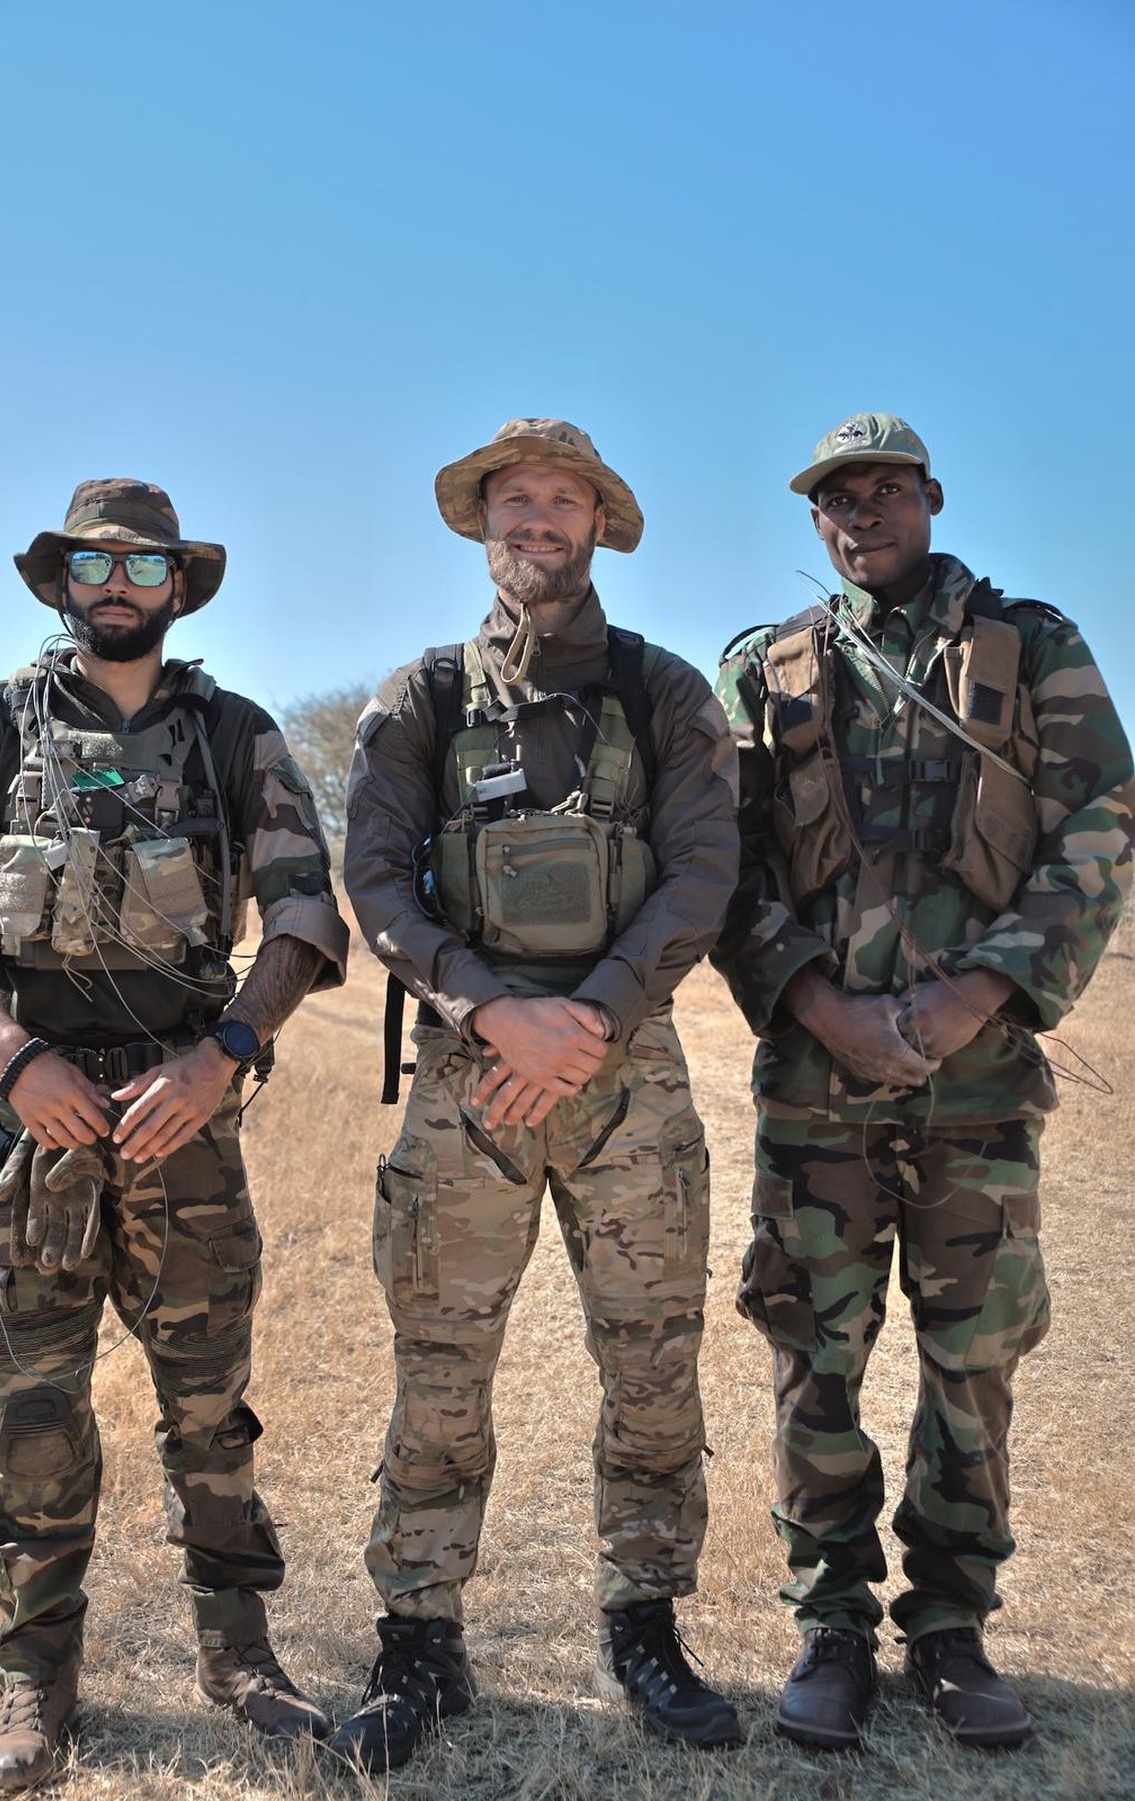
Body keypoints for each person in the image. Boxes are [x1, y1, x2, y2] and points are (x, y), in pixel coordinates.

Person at [712, 413, 1135, 1752]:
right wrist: (819, 1003)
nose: (861, 511)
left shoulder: (1033, 646)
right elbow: (719, 864)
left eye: (885, 489)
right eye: (837, 496)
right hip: (816, 1084)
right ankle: (831, 1622)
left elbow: (1103, 823)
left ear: (932, 499)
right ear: (815, 520)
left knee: (975, 1361)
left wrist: (978, 991)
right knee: (811, 1354)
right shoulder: (761, 669)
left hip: (982, 1081)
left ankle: (951, 1625)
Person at [334, 418, 744, 1772]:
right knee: (440, 1367)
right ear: (485, 522)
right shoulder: (422, 698)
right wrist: (490, 1005)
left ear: (596, 520)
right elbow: (378, 882)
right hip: (470, 1078)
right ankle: (419, 1638)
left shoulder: (668, 693)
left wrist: (595, 1013)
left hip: (627, 1077)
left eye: (562, 497)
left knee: (650, 1361)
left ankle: (645, 1624)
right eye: (515, 498)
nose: (537, 517)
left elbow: (701, 871)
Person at [0, 479, 350, 1789]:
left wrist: (223, 1057)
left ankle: (242, 1656)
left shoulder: (236, 736)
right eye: (96, 561)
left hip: (189, 1120)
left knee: (210, 1411)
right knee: (32, 1417)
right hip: (30, 1128)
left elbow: (306, 919)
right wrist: (9, 1052)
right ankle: (32, 1686)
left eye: (146, 563)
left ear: (179, 584)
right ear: (62, 576)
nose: (119, 582)